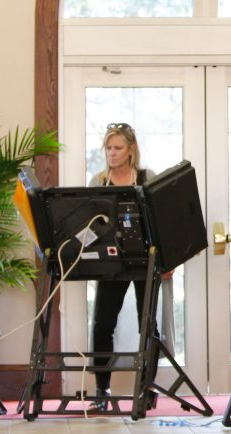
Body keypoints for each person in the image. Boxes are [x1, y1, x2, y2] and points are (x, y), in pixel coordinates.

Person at [88, 123, 171, 411]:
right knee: (102, 324)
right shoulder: (98, 181)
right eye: (108, 148)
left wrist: (167, 259)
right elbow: (89, 225)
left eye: (118, 148)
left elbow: (163, 221)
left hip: (145, 261)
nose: (112, 153)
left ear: (131, 150)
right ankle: (102, 389)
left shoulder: (148, 178)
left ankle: (145, 388)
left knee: (147, 325)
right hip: (111, 263)